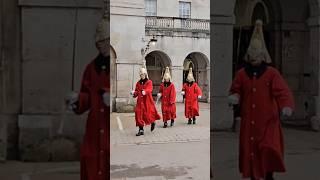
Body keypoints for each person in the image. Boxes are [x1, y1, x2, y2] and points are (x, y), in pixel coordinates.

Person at [228, 19, 295, 180]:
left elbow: (283, 92)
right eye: (252, 56)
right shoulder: (242, 73)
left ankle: (268, 175)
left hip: (267, 124)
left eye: (257, 56)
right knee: (251, 154)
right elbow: (236, 88)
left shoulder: (272, 73)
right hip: (249, 123)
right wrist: (235, 96)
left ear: (262, 56)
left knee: (267, 150)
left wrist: (286, 105)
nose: (254, 59)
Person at [65, 14, 110, 180]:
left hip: (111, 132)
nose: (101, 44)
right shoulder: (91, 68)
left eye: (105, 40)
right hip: (94, 130)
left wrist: (113, 100)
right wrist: (77, 99)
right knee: (92, 165)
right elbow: (87, 98)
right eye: (99, 41)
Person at [130, 67, 161, 136]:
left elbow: (150, 89)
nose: (142, 76)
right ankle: (141, 130)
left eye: (143, 74)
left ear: (145, 74)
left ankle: (153, 122)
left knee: (148, 114)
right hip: (140, 102)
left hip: (147, 101)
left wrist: (145, 91)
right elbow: (137, 92)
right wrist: (133, 93)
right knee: (138, 114)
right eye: (141, 75)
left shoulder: (149, 82)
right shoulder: (138, 83)